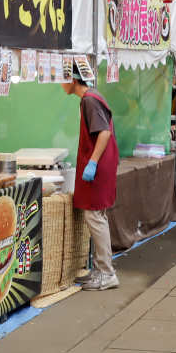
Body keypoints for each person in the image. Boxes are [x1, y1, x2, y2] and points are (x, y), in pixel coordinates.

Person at [61, 60, 119, 291]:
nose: (60, 84)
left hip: (99, 166)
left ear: (74, 79)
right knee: (98, 217)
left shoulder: (89, 100)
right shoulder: (92, 97)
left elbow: (103, 133)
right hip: (100, 164)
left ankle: (107, 273)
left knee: (95, 217)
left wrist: (92, 162)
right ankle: (100, 269)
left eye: (62, 79)